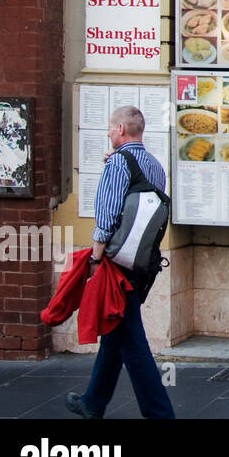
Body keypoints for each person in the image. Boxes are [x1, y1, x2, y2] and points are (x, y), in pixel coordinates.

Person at [65, 105, 175, 419]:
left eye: (111, 128)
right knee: (117, 330)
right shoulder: (154, 166)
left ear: (121, 131)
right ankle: (92, 403)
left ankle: (160, 413)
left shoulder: (118, 163)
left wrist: (95, 259)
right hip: (141, 263)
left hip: (116, 264)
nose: (109, 133)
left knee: (133, 343)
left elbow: (108, 215)